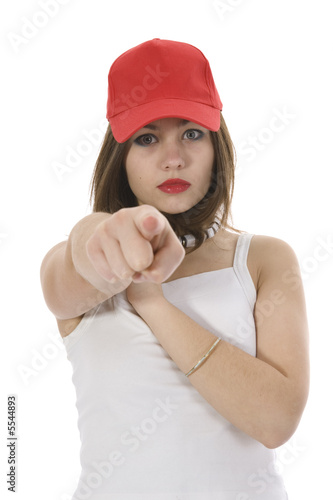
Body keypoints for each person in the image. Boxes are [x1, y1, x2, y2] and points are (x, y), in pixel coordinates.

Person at [40, 38, 310, 499]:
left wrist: (151, 298)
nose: (173, 158)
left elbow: (274, 421)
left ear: (216, 146)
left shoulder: (264, 260)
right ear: (118, 159)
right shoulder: (82, 265)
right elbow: (76, 264)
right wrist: (104, 233)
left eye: (191, 133)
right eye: (147, 138)